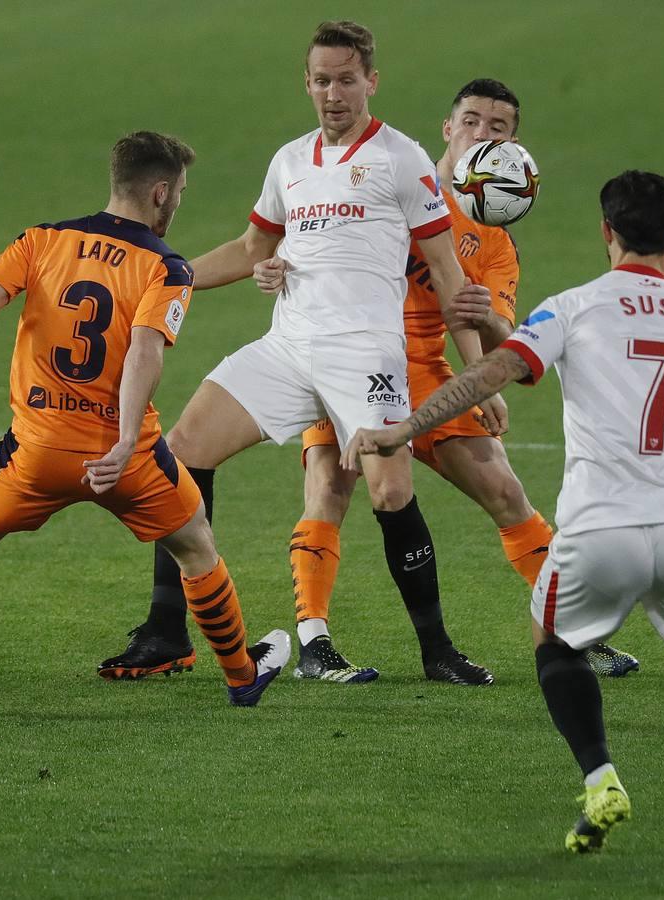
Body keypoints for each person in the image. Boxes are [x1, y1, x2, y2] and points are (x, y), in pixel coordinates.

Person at [344, 170, 664, 866]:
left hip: (598, 529)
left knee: (553, 642)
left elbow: (489, 374)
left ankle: (599, 778)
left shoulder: (572, 307)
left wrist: (402, 431)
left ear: (606, 231)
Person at [98, 22, 495, 685]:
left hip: (365, 353)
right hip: (287, 346)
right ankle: (167, 631)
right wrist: (165, 275)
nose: (332, 94)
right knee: (183, 449)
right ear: (305, 84)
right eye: (320, 80)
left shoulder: (403, 159)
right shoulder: (289, 161)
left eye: (345, 79)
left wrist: (483, 372)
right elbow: (252, 249)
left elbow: (446, 269)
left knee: (390, 490)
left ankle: (437, 652)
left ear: (370, 81)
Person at [0, 131, 290, 713]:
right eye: (180, 192)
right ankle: (241, 676)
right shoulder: (166, 266)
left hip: (35, 451)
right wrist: (127, 438)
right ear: (159, 192)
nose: (179, 202)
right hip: (122, 459)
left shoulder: (42, 240)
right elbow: (144, 351)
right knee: (195, 545)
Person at [280, 78, 639, 684]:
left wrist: (487, 341)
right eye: (471, 121)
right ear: (448, 129)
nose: (482, 133)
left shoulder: (496, 238)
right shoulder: (392, 179)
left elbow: (502, 331)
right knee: (331, 485)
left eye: (497, 128)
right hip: (347, 358)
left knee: (504, 490)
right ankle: (314, 642)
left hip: (424, 370)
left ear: (514, 146)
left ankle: (572, 631)